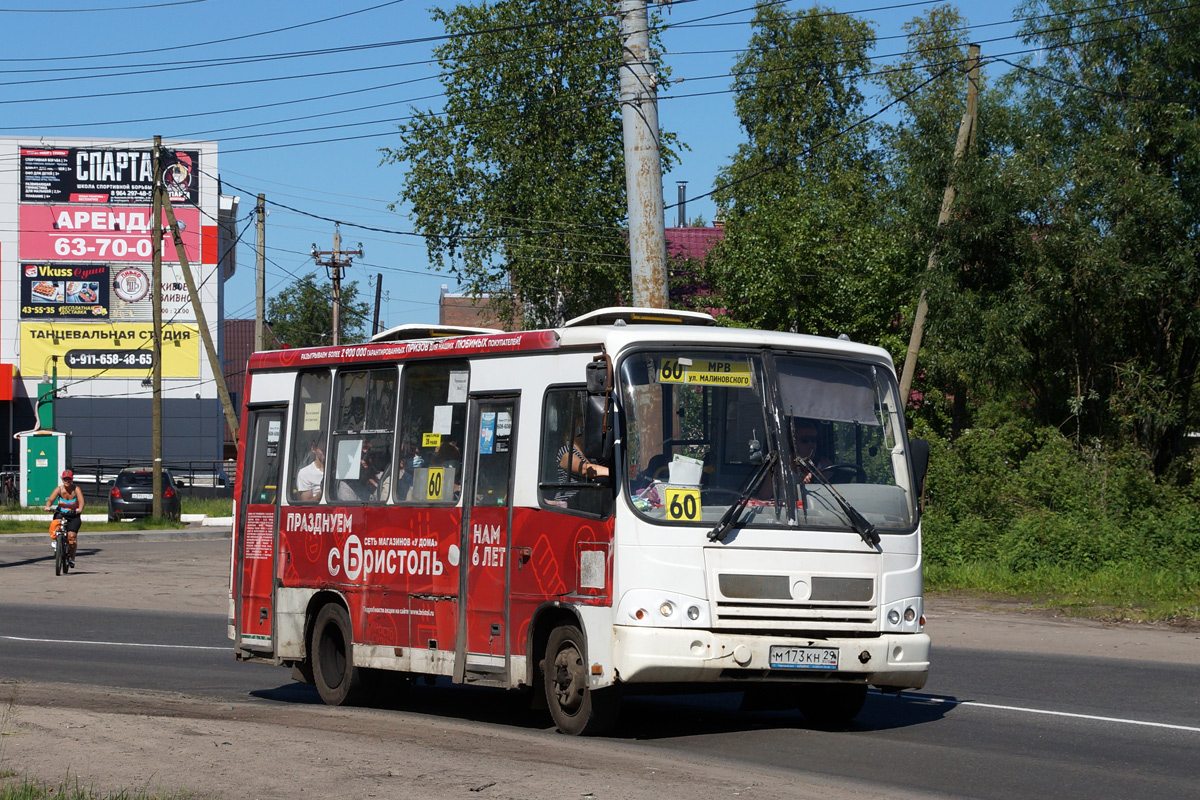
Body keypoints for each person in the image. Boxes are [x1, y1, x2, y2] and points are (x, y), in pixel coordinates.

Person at [44, 469, 84, 569]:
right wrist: (48, 506)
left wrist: (80, 508)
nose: (67, 481)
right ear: (62, 479)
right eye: (65, 479)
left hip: (73, 515)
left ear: (72, 479)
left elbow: (81, 501)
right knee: (55, 526)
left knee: (72, 538)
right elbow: (50, 499)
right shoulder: (59, 489)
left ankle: (72, 558)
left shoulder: (76, 489)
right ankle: (56, 541)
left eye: (69, 479)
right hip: (61, 514)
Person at [791, 418, 832, 483]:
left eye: (813, 440)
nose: (811, 444)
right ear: (793, 442)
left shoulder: (824, 465)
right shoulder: (783, 468)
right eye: (805, 440)